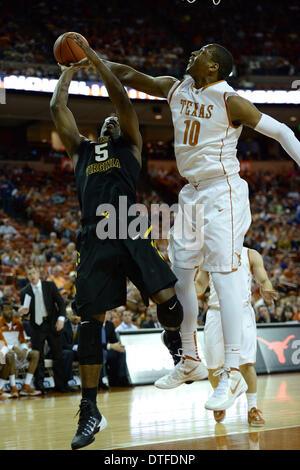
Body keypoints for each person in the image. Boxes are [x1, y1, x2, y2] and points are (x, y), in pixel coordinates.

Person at [101, 43, 300, 409]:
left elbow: (283, 133)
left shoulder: (230, 100)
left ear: (213, 67)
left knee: (225, 280)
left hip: (222, 190)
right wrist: (92, 58)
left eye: (200, 53)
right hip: (191, 193)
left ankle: (231, 374)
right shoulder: (177, 88)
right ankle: (191, 358)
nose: (192, 54)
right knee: (179, 278)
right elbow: (129, 75)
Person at [50, 35, 202, 450]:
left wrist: (93, 58)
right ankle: (89, 409)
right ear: (97, 128)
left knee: (170, 301)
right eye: (107, 123)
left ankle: (172, 338)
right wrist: (66, 73)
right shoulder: (81, 150)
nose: (113, 122)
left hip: (131, 226)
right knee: (89, 323)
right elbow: (56, 109)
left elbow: (121, 98)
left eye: (116, 121)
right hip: (94, 236)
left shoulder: (130, 145)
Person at [194, 246, 278, 424]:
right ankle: (220, 399)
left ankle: (252, 409)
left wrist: (267, 287)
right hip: (216, 312)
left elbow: (263, 279)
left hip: (242, 312)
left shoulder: (251, 254)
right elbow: (200, 284)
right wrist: (186, 289)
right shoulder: (210, 253)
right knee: (213, 366)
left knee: (246, 364)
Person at [18, 266, 70, 394]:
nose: (32, 275)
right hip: (36, 326)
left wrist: (61, 319)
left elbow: (61, 303)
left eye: (33, 272)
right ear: (27, 276)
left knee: (58, 355)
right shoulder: (25, 291)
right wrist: (22, 313)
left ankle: (61, 385)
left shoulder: (49, 285)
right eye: (29, 273)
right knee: (38, 357)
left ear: (38, 274)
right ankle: (40, 385)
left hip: (52, 323)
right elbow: (26, 312)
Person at [0, 303, 41, 397]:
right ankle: (13, 387)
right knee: (10, 354)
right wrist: (13, 348)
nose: (9, 311)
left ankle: (26, 386)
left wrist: (24, 350)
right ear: (2, 312)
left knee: (35, 353)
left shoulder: (18, 323)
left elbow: (23, 340)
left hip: (17, 351)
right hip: (3, 351)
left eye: (10, 309)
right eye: (6, 309)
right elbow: (1, 342)